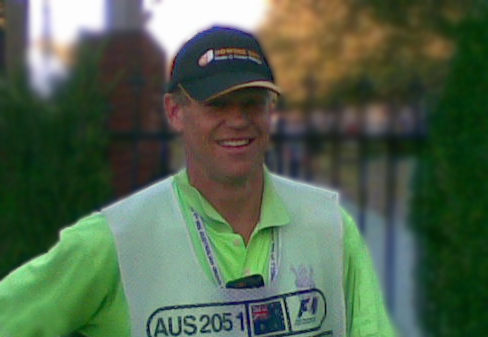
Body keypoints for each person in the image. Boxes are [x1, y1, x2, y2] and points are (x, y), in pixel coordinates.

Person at [0, 26, 395, 337]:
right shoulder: (114, 241)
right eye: (217, 105)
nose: (238, 120)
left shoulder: (329, 227)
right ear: (175, 111)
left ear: (270, 109)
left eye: (252, 103)